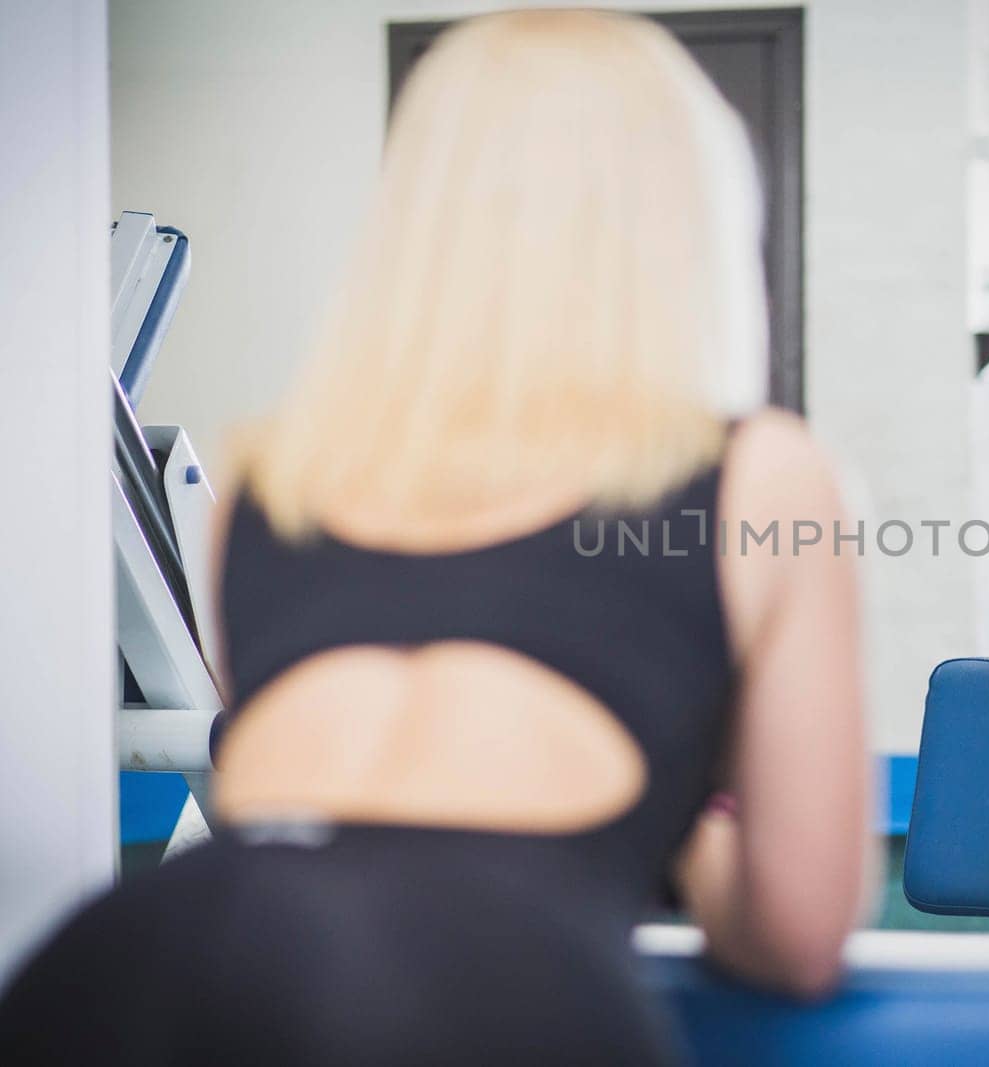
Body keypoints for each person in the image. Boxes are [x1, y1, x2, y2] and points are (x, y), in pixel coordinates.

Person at [0, 11, 872, 1063]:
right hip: (481, 979)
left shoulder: (269, 476)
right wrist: (681, 817)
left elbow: (318, 820)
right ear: (683, 213)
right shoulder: (762, 472)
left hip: (128, 957)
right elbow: (797, 932)